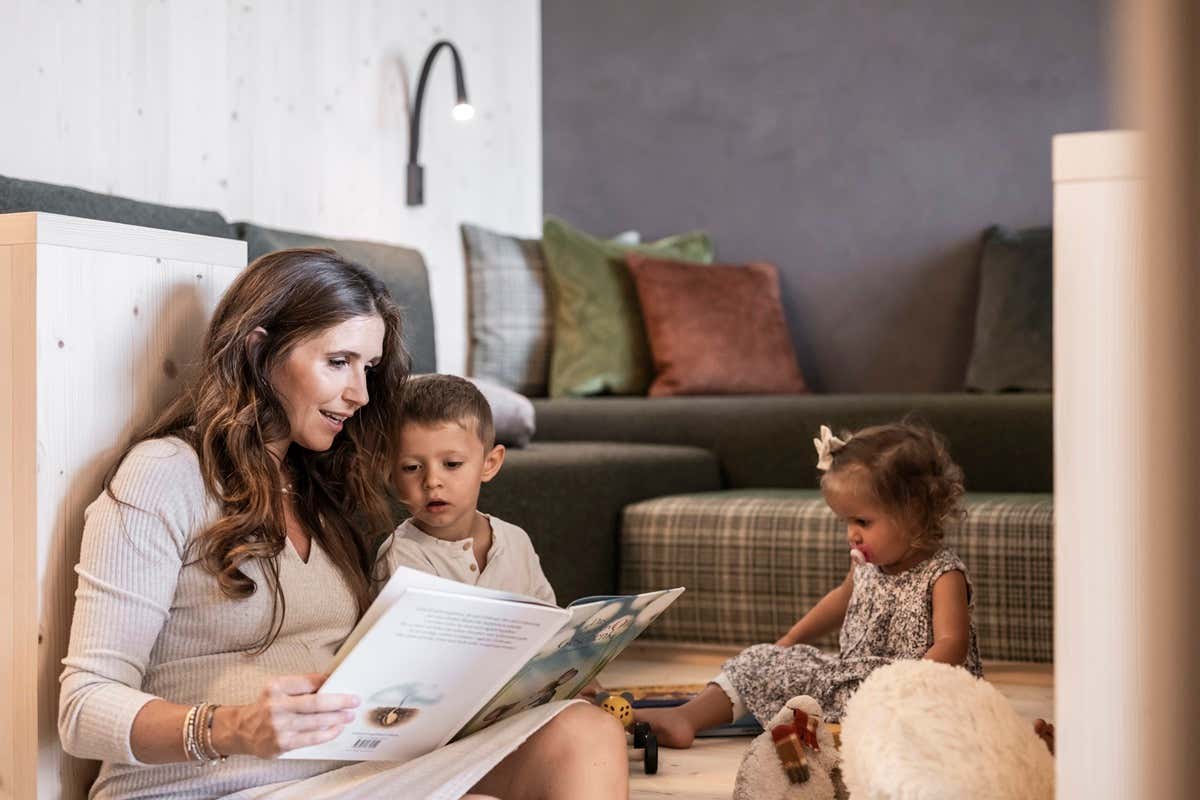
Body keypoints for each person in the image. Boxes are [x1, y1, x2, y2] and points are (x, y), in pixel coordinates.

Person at [58, 248, 626, 800]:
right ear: (259, 350)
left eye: (368, 368)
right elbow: (82, 706)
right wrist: (231, 727)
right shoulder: (166, 474)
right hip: (204, 787)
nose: (359, 393)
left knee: (583, 733)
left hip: (351, 774)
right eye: (338, 362)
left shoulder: (318, 487)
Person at [637, 421, 983, 749]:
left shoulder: (942, 574)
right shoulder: (867, 565)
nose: (852, 534)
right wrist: (790, 641)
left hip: (913, 695)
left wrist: (905, 685)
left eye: (862, 521)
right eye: (846, 521)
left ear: (914, 512)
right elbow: (841, 599)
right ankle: (686, 717)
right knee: (760, 661)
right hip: (857, 680)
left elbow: (952, 644)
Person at [380, 374, 555, 603]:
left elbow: (550, 616)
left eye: (452, 464)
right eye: (412, 467)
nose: (432, 481)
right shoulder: (399, 557)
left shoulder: (516, 541)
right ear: (391, 474)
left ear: (489, 464)